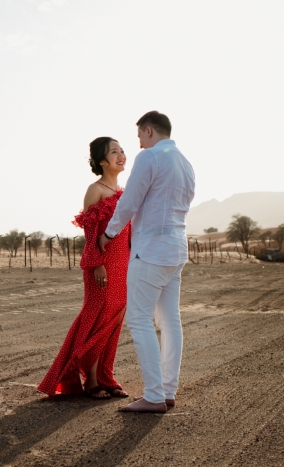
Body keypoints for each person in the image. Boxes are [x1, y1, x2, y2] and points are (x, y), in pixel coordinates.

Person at [99, 111, 195, 413]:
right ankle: (167, 391)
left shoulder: (150, 158)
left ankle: (154, 396)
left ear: (150, 130)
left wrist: (109, 232)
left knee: (139, 319)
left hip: (150, 250)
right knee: (170, 321)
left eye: (140, 136)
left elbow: (130, 201)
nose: (139, 144)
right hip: (176, 250)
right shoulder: (185, 163)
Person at [38, 137, 131, 399]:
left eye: (122, 151)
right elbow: (91, 235)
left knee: (113, 320)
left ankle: (106, 376)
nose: (121, 155)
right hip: (100, 265)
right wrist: (96, 264)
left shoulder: (123, 192)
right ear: (102, 160)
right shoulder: (95, 190)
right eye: (114, 152)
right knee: (96, 319)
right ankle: (90, 381)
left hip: (123, 265)